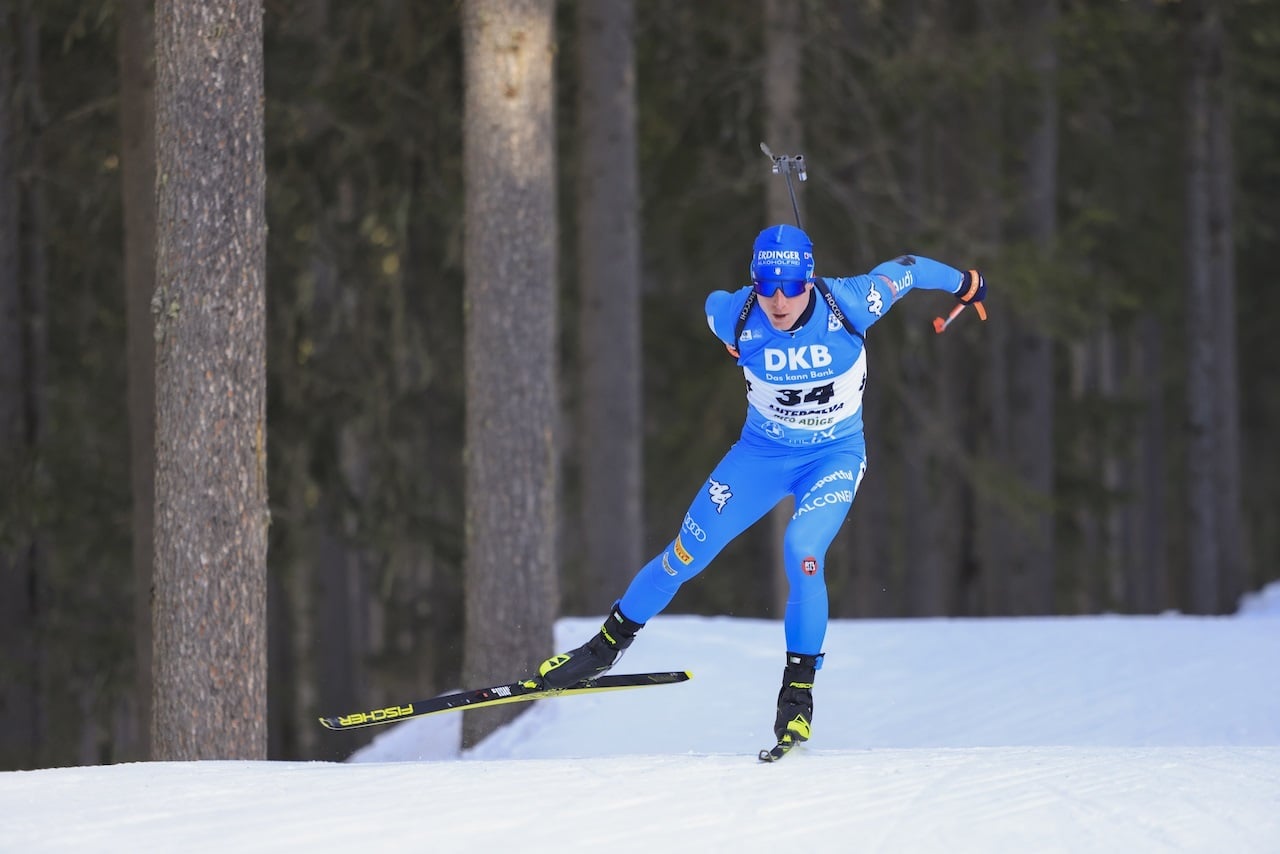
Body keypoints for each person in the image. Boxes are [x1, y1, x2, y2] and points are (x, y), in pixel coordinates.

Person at [537, 223, 986, 749]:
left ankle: (797, 694)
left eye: (792, 287)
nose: (778, 300)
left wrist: (965, 283)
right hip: (761, 456)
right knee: (685, 554)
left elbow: (908, 269)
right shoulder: (735, 316)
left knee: (802, 551)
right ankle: (603, 649)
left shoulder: (850, 303)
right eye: (767, 285)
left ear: (809, 280)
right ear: (753, 282)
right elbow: (711, 303)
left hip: (833, 455)